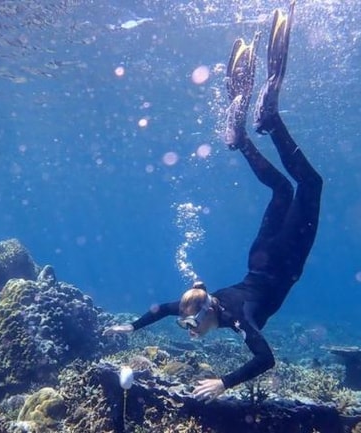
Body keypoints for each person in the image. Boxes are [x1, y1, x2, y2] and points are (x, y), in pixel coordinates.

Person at [104, 0, 323, 402]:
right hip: (259, 258)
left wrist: (224, 383)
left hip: (281, 260)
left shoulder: (237, 318)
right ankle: (242, 141)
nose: (189, 330)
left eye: (189, 325)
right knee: (283, 189)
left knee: (310, 183)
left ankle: (269, 122)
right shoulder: (203, 304)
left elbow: (266, 360)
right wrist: (132, 328)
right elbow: (163, 309)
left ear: (205, 311)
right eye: (187, 326)